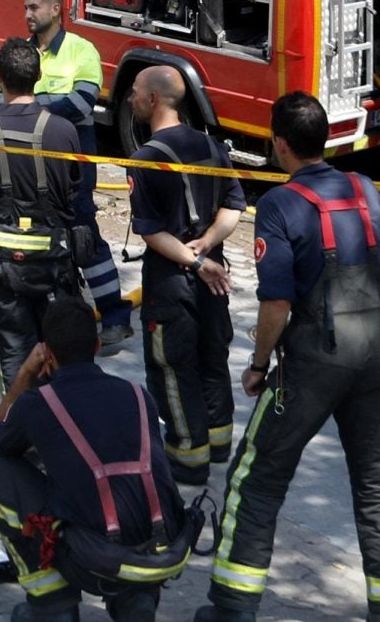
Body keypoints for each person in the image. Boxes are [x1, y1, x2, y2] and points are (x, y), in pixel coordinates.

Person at [200, 92, 380, 622]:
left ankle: (232, 609)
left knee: (257, 480)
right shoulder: (364, 188)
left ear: (279, 144)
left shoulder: (279, 204)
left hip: (316, 362)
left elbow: (276, 302)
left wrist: (258, 364)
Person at [0, 298, 193, 622]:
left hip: (94, 561)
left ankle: (53, 605)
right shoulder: (138, 395)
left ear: (47, 355)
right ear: (96, 345)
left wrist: (25, 373)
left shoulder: (39, 403)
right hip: (162, 554)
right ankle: (135, 601)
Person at [126, 65, 243, 490]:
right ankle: (218, 446)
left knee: (172, 369)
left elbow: (151, 231)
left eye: (136, 91)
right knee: (213, 359)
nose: (131, 98)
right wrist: (208, 244)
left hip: (172, 286)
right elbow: (233, 206)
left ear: (154, 99)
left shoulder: (145, 159)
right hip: (215, 282)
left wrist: (193, 259)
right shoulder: (213, 146)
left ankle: (187, 461)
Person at [0, 37, 88, 393]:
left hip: (3, 268)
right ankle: (61, 425)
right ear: (38, 76)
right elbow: (73, 192)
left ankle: (19, 429)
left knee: (15, 354)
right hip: (54, 264)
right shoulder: (64, 131)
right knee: (60, 351)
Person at [21, 0, 131, 351]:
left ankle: (115, 319)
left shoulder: (81, 51)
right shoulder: (22, 53)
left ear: (56, 10)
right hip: (30, 162)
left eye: (34, 7)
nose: (27, 14)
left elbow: (82, 104)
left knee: (83, 238)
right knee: (37, 237)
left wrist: (29, 109)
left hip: (71, 161)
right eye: (26, 7)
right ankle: (53, 323)